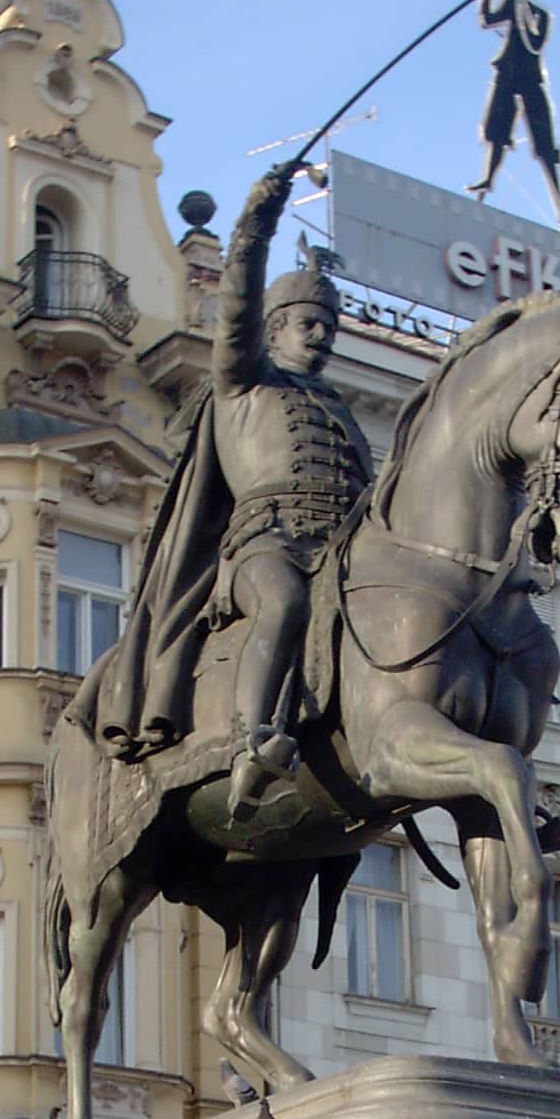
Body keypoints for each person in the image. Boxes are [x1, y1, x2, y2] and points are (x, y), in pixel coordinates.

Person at [82, 163, 373, 825]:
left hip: (337, 551)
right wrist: (257, 224)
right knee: (284, 603)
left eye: (327, 324)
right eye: (306, 322)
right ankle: (254, 743)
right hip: (263, 544)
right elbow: (237, 302)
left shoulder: (338, 409)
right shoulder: (245, 380)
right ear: (273, 329)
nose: (321, 333)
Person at [467, 0, 560, 235]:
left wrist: (520, 3)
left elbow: (535, 43)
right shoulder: (510, 6)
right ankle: (487, 180)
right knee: (496, 131)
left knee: (545, 145)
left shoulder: (539, 13)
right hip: (507, 74)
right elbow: (487, 21)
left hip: (530, 78)